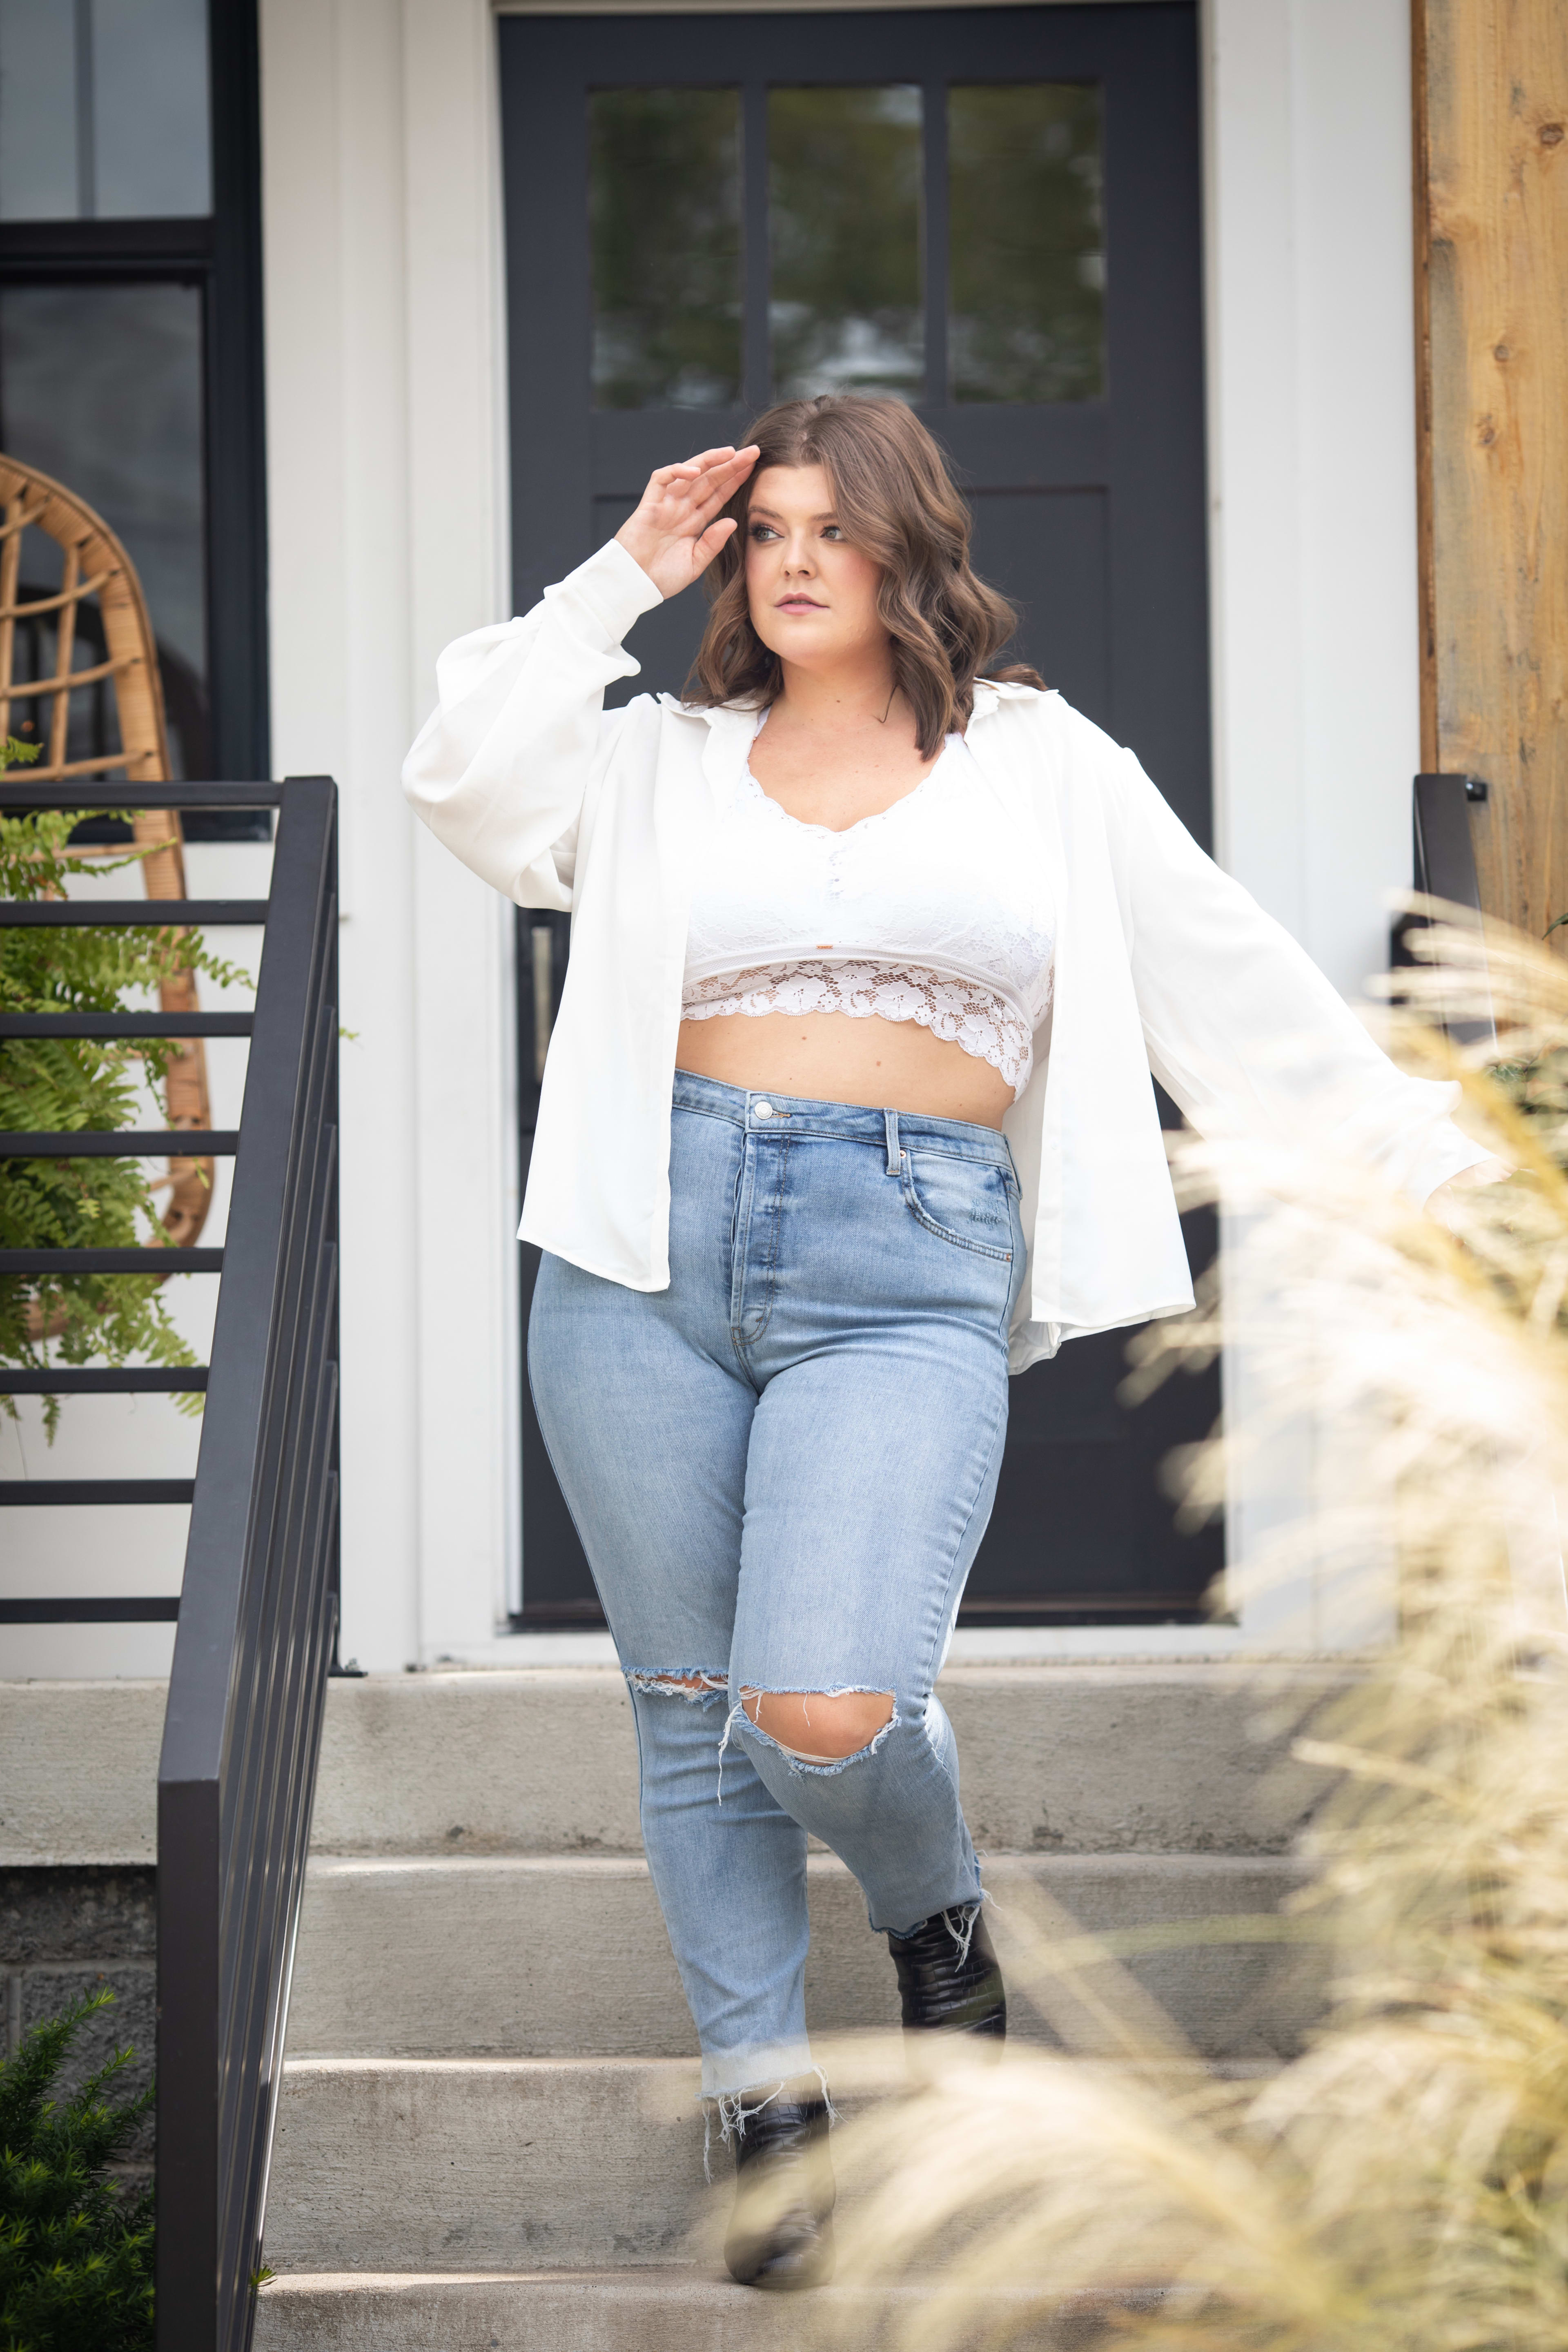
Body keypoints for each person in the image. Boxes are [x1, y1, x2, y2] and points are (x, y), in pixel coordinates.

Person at [402, 395, 1499, 2291]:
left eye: (840, 527)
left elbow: (1229, 986)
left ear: (916, 550)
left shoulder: (1046, 764)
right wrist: (615, 582)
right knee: (686, 1714)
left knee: (815, 1701)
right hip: (637, 1258)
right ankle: (768, 2112)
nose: (800, 558)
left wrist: (1473, 1183)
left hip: (905, 1256)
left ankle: (940, 1917)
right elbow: (458, 777)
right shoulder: (655, 757)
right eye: (769, 532)